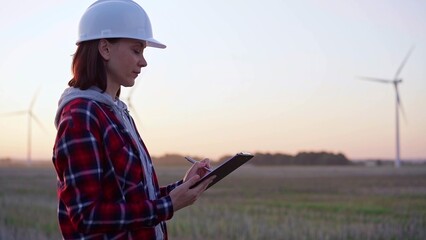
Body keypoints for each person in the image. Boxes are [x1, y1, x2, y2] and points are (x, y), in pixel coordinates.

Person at [52, 0, 215, 239]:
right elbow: (86, 216)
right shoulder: (81, 116)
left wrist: (180, 187)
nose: (144, 61)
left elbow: (131, 198)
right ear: (105, 49)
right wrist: (168, 205)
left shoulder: (115, 113)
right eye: (136, 50)